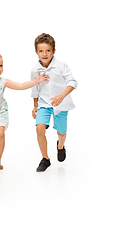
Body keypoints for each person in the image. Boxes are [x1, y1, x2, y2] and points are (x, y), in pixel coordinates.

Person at [30, 33, 78, 172]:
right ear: (36, 52)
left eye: (48, 50)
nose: (44, 54)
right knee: (39, 128)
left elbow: (73, 82)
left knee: (61, 132)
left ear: (54, 51)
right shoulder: (35, 70)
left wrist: (61, 96)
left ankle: (60, 146)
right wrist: (35, 106)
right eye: (41, 51)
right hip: (44, 104)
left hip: (60, 105)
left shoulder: (61, 66)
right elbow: (35, 88)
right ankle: (45, 159)